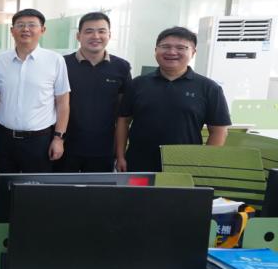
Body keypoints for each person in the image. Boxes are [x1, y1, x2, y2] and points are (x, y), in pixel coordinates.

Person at [116, 26, 231, 172]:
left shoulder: (209, 88)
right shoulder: (138, 84)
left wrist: (203, 163)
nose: (172, 52)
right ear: (156, 50)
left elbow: (219, 130)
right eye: (165, 46)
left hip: (185, 167)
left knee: (178, 189)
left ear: (193, 52)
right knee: (136, 189)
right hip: (138, 164)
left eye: (181, 47)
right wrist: (120, 156)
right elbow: (123, 121)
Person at [0, 8, 70, 175]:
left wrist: (58, 139)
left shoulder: (55, 60)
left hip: (40, 141)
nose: (25, 29)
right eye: (20, 25)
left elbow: (63, 103)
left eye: (32, 25)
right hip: (3, 139)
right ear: (12, 31)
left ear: (42, 30)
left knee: (36, 188)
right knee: (2, 186)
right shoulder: (0, 61)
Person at [58, 12, 132, 173]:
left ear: (109, 35)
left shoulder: (122, 67)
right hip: (64, 147)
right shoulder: (61, 64)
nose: (96, 36)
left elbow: (123, 115)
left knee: (98, 189)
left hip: (103, 149)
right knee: (61, 188)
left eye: (101, 31)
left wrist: (120, 154)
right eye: (89, 31)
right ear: (78, 36)